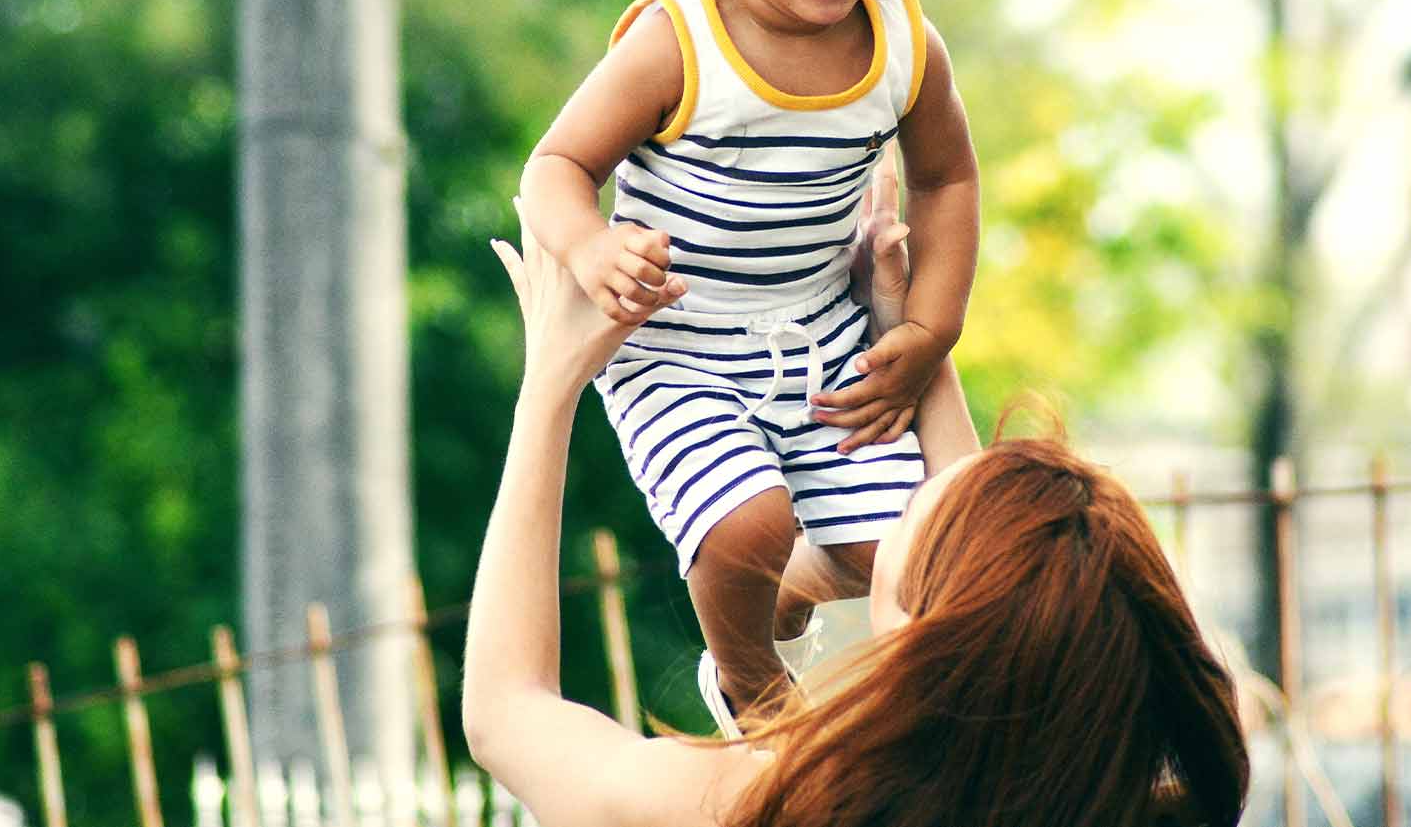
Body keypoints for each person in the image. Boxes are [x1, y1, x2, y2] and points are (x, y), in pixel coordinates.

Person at [465, 193, 1251, 827]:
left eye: (906, 519)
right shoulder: (1155, 805)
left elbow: (506, 713)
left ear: (918, 636)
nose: (895, 505)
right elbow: (989, 572)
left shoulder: (772, 804)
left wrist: (551, 383)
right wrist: (900, 332)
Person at [517, 0, 979, 732]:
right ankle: (753, 690)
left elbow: (949, 177)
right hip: (675, 347)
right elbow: (552, 167)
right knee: (741, 525)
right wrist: (588, 249)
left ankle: (773, 588)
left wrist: (929, 325)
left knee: (891, 552)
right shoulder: (676, 46)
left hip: (817, 337)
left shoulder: (905, 43)